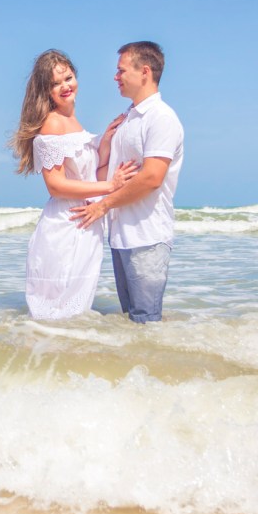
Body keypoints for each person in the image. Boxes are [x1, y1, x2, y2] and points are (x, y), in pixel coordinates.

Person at [10, 49, 137, 320]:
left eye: (68, 78)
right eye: (55, 84)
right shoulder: (53, 123)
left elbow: (83, 171)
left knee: (74, 312)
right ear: (46, 91)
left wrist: (102, 144)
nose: (65, 86)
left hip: (85, 225)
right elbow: (55, 185)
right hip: (65, 226)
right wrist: (111, 186)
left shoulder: (72, 120)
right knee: (57, 312)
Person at [70, 41, 184, 323]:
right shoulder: (127, 120)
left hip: (147, 236)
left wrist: (103, 206)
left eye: (121, 71)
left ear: (144, 71)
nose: (115, 77)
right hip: (121, 235)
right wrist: (106, 144)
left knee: (146, 320)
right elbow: (107, 176)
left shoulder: (161, 118)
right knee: (130, 321)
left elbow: (152, 178)